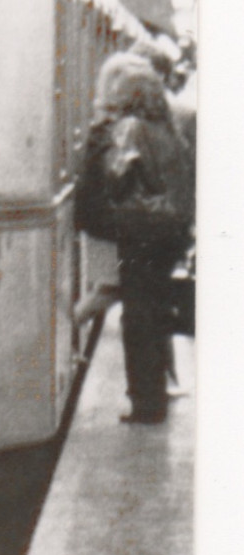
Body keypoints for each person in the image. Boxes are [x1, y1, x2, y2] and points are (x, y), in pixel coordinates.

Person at [76, 53, 194, 424]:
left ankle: (146, 403)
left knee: (138, 319)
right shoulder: (168, 129)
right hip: (169, 233)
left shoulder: (128, 128)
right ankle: (156, 395)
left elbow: (117, 176)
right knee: (155, 313)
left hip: (140, 232)